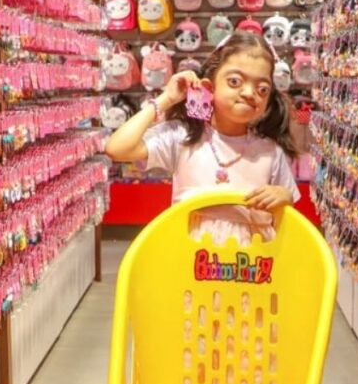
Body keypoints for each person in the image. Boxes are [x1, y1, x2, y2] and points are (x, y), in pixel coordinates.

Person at [104, 32, 299, 245]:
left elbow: (287, 215)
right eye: (235, 81)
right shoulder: (183, 137)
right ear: (209, 87)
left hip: (250, 267)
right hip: (189, 265)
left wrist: (283, 197)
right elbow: (117, 148)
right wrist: (165, 99)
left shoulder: (270, 151)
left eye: (262, 89)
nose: (249, 92)